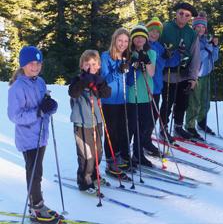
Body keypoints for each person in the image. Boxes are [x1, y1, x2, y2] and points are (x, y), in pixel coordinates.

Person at [8, 46, 60, 222]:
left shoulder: (40, 82)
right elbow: (15, 116)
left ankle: (37, 201)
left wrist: (50, 105)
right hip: (28, 138)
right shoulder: (17, 88)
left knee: (37, 171)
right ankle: (35, 207)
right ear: (23, 65)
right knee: (34, 173)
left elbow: (44, 105)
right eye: (31, 63)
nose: (35, 67)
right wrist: (38, 112)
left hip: (41, 136)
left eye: (38, 63)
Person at [68, 50, 111, 194]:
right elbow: (73, 92)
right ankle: (84, 181)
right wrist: (84, 81)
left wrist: (101, 84)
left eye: (94, 64)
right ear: (82, 65)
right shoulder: (77, 80)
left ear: (99, 66)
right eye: (87, 64)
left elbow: (107, 93)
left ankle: (93, 175)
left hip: (97, 121)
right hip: (82, 123)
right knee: (87, 155)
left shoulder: (99, 80)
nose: (90, 67)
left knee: (98, 151)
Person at [159, 2, 200, 143]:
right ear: (176, 13)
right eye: (181, 13)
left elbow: (196, 56)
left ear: (190, 18)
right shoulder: (165, 28)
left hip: (184, 74)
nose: (183, 16)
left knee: (183, 103)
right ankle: (163, 128)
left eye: (187, 15)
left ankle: (178, 126)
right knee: (167, 102)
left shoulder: (192, 34)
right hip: (167, 74)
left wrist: (193, 78)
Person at [144, 17, 180, 155]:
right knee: (145, 117)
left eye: (157, 32)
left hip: (157, 86)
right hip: (145, 87)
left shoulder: (159, 47)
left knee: (153, 116)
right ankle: (141, 142)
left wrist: (177, 54)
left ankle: (146, 141)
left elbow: (169, 63)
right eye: (151, 31)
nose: (154, 34)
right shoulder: (144, 45)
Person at [100, 28, 131, 174]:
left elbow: (128, 80)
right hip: (109, 100)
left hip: (122, 100)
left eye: (125, 41)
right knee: (111, 132)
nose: (122, 44)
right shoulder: (105, 57)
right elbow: (104, 79)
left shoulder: (125, 58)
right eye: (120, 40)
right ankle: (110, 162)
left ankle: (118, 157)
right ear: (114, 40)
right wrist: (118, 70)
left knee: (120, 131)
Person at [185, 11, 219, 139]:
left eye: (203, 27)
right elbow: (197, 58)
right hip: (196, 76)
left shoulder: (206, 40)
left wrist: (215, 47)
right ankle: (190, 125)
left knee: (205, 101)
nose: (200, 29)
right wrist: (208, 49)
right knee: (194, 102)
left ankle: (201, 121)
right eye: (198, 27)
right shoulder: (193, 40)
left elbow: (214, 58)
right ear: (194, 28)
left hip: (206, 74)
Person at [127, 24, 156, 167]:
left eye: (142, 37)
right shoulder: (128, 53)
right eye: (136, 37)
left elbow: (151, 73)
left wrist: (146, 60)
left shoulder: (151, 53)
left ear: (146, 38)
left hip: (146, 94)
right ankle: (127, 156)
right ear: (132, 39)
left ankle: (139, 154)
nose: (139, 39)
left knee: (144, 127)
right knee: (132, 126)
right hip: (133, 95)